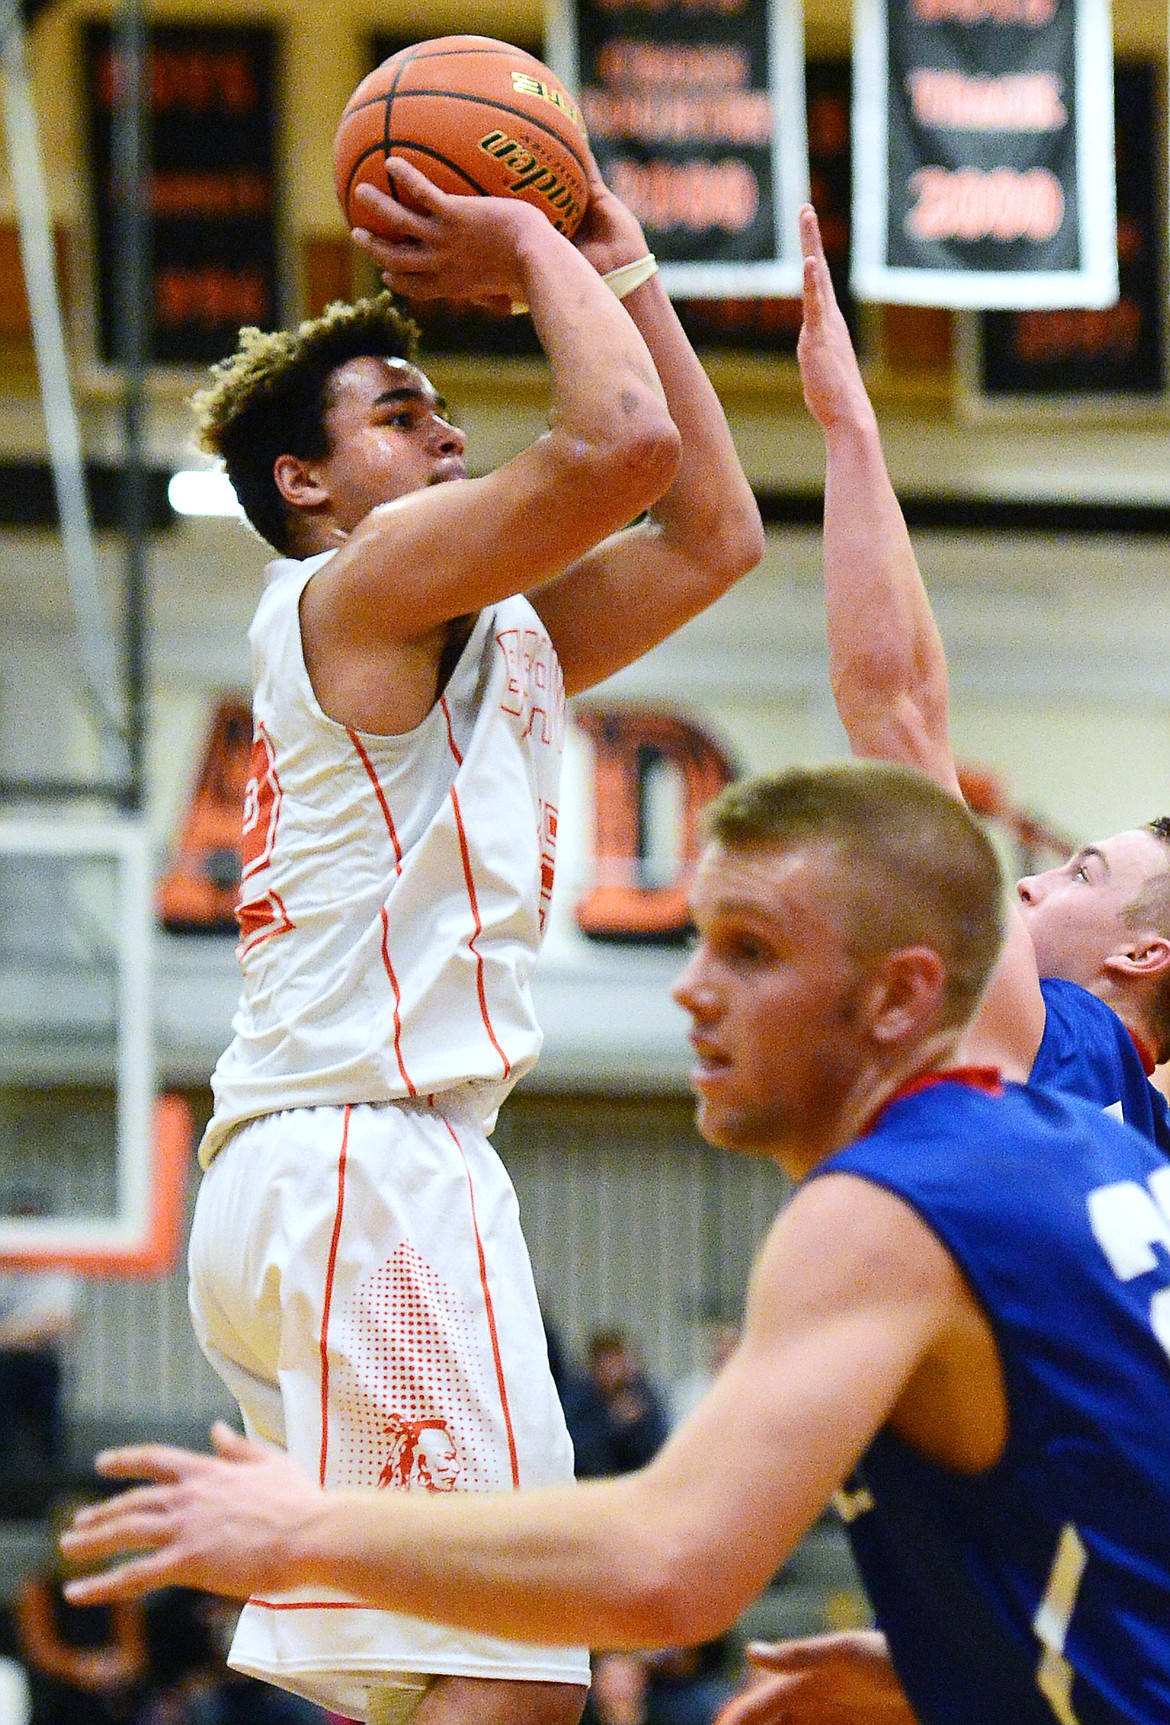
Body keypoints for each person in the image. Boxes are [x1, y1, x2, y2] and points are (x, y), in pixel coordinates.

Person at [62, 761, 1170, 1724]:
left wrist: (304, 1526)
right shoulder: (1101, 1161)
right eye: (699, 942)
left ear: (898, 998)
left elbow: (668, 1566)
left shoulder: (905, 1202)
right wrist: (945, 1664)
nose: (692, 991)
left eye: (751, 951)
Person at [171, 148, 763, 1725]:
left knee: (441, 1677)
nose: (444, 426)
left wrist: (626, 269)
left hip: (325, 1171)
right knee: (520, 1665)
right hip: (366, 1165)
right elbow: (618, 438)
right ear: (305, 485)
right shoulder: (360, 584)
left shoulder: (483, 626)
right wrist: (519, 233)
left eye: (442, 405)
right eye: (397, 412)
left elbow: (712, 533)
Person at [795, 203, 1170, 1150]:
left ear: (1144, 952)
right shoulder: (1144, 1135)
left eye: (1082, 873)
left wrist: (849, 426)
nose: (1034, 885)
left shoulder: (1065, 1043)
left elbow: (899, 715)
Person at [561, 1329, 669, 1480]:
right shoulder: (578, 1400)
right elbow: (577, 1452)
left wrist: (637, 1426)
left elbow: (659, 1449)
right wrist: (612, 1423)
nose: (615, 1370)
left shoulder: (642, 1396)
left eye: (619, 1361)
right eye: (608, 1362)